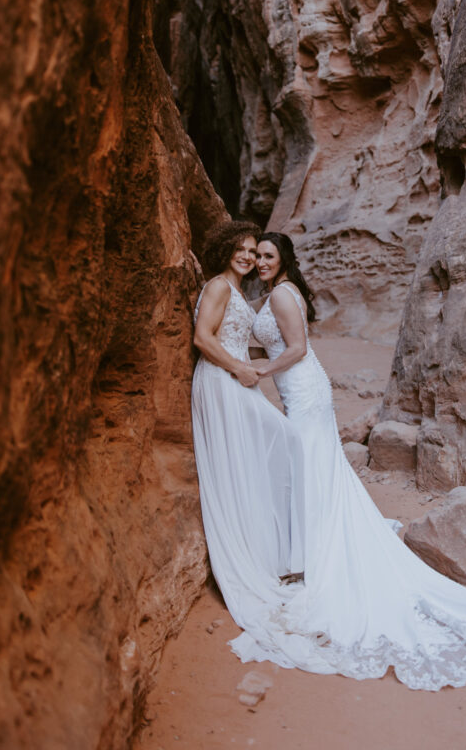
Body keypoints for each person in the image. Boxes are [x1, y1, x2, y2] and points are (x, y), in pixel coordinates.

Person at [227, 230, 466, 690]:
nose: (260, 261)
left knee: (311, 469)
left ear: (283, 259)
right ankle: (307, 551)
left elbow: (298, 349)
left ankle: (313, 557)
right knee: (313, 471)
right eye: (256, 255)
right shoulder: (275, 293)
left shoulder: (282, 294)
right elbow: (277, 343)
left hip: (305, 393)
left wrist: (257, 369)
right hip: (298, 392)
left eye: (268, 255)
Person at [190, 221, 305, 640]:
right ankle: (248, 559)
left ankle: (271, 553)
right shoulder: (219, 287)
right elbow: (203, 338)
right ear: (225, 250)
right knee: (268, 446)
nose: (248, 257)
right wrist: (240, 367)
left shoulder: (236, 290)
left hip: (236, 379)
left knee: (259, 455)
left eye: (254, 252)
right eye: (241, 249)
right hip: (222, 381)